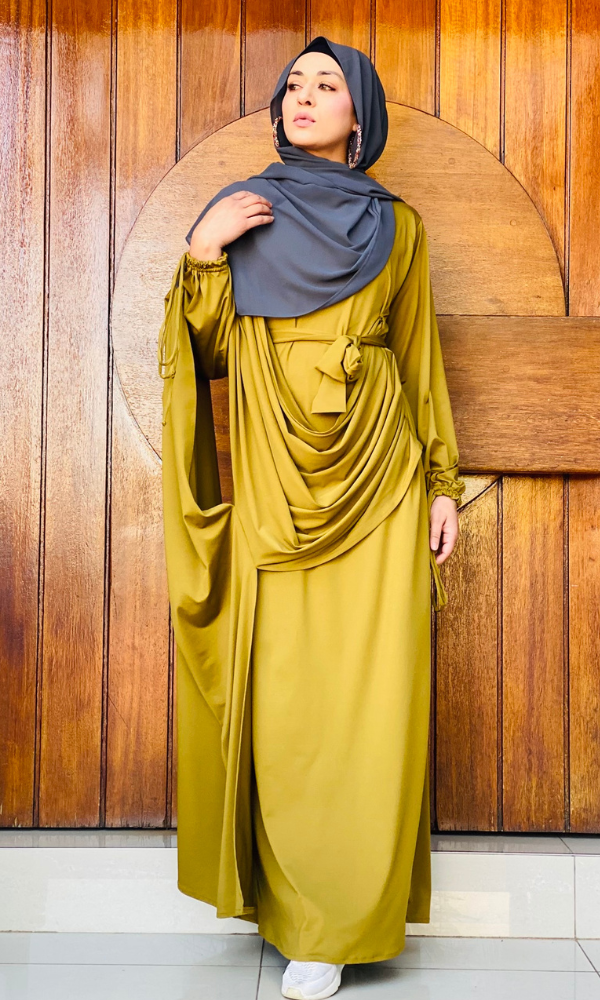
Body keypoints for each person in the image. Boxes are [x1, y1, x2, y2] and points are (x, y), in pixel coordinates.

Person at [157, 35, 466, 1000]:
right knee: (290, 703)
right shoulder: (243, 211)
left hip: (379, 478)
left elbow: (418, 358)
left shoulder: (399, 229)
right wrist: (202, 255)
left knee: (370, 703)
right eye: (294, 83)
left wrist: (442, 481)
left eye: (327, 85)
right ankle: (292, 914)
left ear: (358, 115)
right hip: (277, 483)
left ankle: (343, 924)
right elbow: (205, 352)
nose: (304, 95)